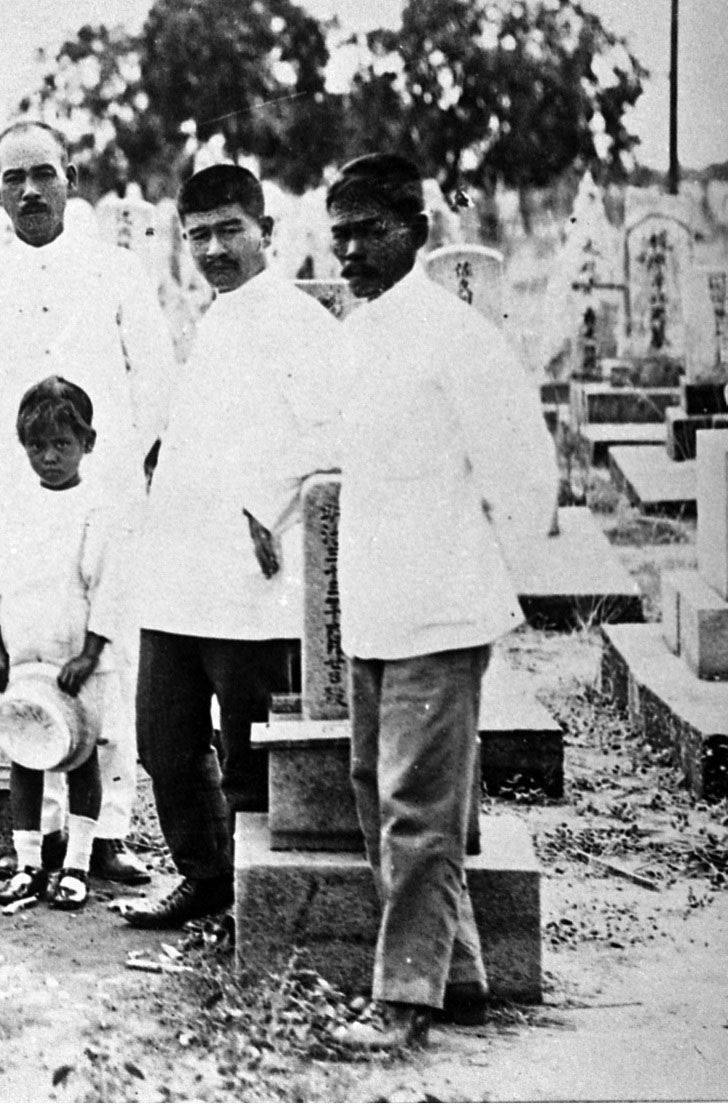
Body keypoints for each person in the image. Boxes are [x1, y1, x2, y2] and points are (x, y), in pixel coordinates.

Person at [321, 154, 556, 1049]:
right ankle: (456, 975)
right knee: (375, 790)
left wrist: (482, 570)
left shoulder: (457, 339)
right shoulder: (361, 335)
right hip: (377, 606)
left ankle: (402, 1004)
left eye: (366, 231)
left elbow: (523, 474)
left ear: (415, 232)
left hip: (443, 606)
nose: (348, 250)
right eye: (337, 233)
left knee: (417, 810)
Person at [0, 120, 177, 885]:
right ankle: (35, 845)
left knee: (107, 664)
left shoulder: (116, 271)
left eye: (44, 173)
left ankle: (105, 833)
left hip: (105, 494)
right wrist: (2, 484)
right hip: (19, 502)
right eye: (15, 179)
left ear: (72, 177)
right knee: (29, 666)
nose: (31, 190)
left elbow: (153, 375)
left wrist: (118, 471)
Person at [117, 165, 342, 928]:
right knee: (162, 736)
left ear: (266, 234)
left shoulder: (302, 323)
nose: (213, 248)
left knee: (248, 747)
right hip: (181, 570)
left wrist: (262, 509)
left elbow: (329, 437)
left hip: (253, 573)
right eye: (197, 235)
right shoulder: (213, 320)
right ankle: (206, 873)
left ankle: (262, 897)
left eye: (228, 231)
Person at [0, 376, 113, 912]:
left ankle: (77, 864)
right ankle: (29, 861)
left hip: (74, 659)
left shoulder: (96, 508)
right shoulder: (14, 505)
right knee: (24, 753)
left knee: (78, 756)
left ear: (88, 443)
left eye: (62, 444)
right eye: (37, 446)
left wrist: (90, 653)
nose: (49, 457)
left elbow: (108, 585)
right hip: (25, 654)